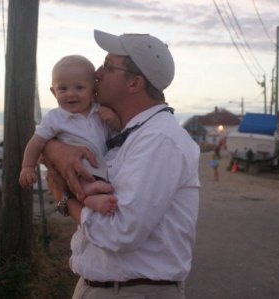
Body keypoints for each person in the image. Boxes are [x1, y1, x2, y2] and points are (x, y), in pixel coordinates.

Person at [43, 30, 200, 299]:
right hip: (107, 288)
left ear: (135, 83)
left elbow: (121, 232)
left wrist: (64, 199)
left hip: (132, 291)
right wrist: (53, 147)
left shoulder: (159, 140)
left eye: (107, 66)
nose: (96, 74)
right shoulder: (125, 134)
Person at [19, 55, 121, 215]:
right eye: (63, 89)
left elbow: (117, 134)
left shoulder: (100, 112)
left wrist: (114, 120)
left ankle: (92, 197)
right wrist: (27, 167)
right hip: (75, 171)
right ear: (54, 92)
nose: (70, 94)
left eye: (79, 87)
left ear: (93, 90)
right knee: (76, 170)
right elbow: (36, 142)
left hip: (101, 167)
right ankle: (88, 196)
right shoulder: (55, 118)